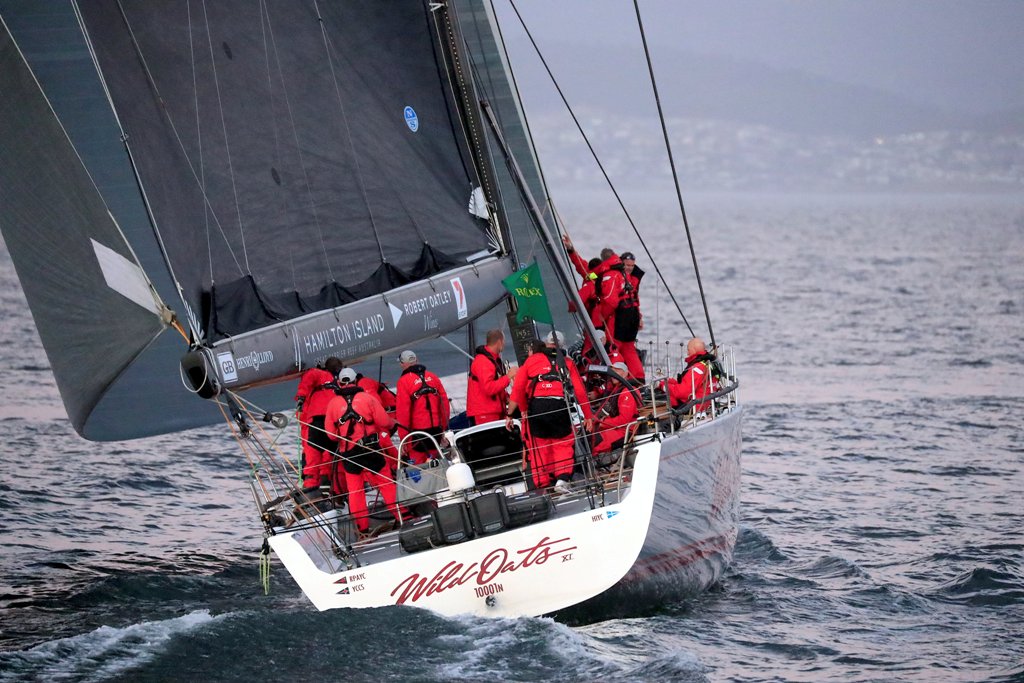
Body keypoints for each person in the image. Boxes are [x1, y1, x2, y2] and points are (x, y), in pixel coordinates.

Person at [507, 331, 593, 492]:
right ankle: (562, 480)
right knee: (562, 443)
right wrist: (588, 416)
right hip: (558, 406)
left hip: (537, 408)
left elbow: (518, 389)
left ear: (546, 344)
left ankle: (542, 485)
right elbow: (580, 391)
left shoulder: (532, 361)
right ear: (561, 346)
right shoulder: (567, 362)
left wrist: (524, 410)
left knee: (540, 446)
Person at [325, 368, 405, 536]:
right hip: (371, 449)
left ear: (339, 383)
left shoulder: (333, 404)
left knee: (355, 492)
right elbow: (384, 421)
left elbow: (330, 435)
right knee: (386, 484)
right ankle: (403, 516)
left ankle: (362, 530)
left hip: (349, 453)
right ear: (355, 381)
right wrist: (392, 424)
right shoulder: (367, 398)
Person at [294, 357, 343, 489]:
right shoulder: (341, 383)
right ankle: (338, 493)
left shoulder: (318, 374)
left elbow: (309, 376)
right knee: (338, 461)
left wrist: (301, 397)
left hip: (317, 423)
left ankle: (311, 492)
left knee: (312, 463)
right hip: (334, 423)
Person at [395, 350, 450, 464]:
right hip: (436, 431)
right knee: (436, 464)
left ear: (402, 364)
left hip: (416, 434)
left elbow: (403, 413)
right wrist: (443, 428)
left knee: (419, 468)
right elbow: (444, 404)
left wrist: (404, 439)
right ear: (417, 360)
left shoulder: (403, 381)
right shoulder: (432, 377)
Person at [466, 329, 517, 426]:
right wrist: (508, 377)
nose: (505, 344)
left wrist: (507, 397)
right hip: (484, 414)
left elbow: (495, 384)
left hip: (493, 411)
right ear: (499, 342)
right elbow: (488, 388)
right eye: (504, 341)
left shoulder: (493, 359)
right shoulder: (483, 361)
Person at [591, 361, 639, 458]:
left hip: (624, 431)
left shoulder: (627, 392)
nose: (613, 374)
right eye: (612, 371)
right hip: (615, 428)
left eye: (617, 371)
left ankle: (591, 468)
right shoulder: (617, 389)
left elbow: (624, 420)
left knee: (592, 442)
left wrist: (603, 422)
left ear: (626, 373)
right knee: (586, 438)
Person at [613, 251, 645, 381]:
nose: (629, 268)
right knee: (629, 348)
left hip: (625, 317)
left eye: (632, 265)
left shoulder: (618, 276)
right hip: (632, 316)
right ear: (622, 263)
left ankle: (618, 377)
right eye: (627, 265)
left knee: (616, 347)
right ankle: (638, 378)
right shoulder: (633, 278)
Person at [665, 338, 718, 413]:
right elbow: (692, 385)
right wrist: (672, 383)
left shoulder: (697, 368)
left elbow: (682, 392)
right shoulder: (709, 364)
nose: (687, 353)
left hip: (693, 407)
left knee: (664, 398)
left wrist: (664, 386)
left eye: (688, 350)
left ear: (694, 350)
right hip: (704, 403)